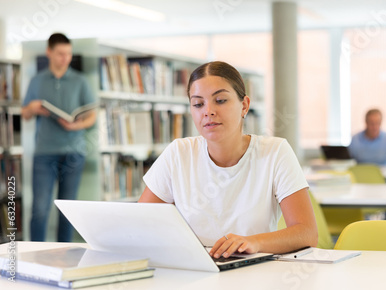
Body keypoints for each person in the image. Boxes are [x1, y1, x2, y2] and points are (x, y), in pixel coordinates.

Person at [139, 61, 318, 258]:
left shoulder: (275, 152)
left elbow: (307, 233)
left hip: (255, 271)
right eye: (198, 104)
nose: (208, 111)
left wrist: (254, 242)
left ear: (244, 106)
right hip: (194, 271)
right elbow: (139, 225)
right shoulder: (178, 153)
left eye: (221, 100)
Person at [21, 33, 97, 242]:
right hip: (44, 153)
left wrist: (77, 125)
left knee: (67, 209)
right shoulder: (37, 81)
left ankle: (64, 254)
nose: (65, 58)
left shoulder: (81, 81)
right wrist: (32, 108)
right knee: (40, 209)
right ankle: (34, 255)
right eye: (61, 54)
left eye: (69, 54)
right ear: (49, 52)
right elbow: (25, 115)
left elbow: (92, 115)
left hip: (74, 153)